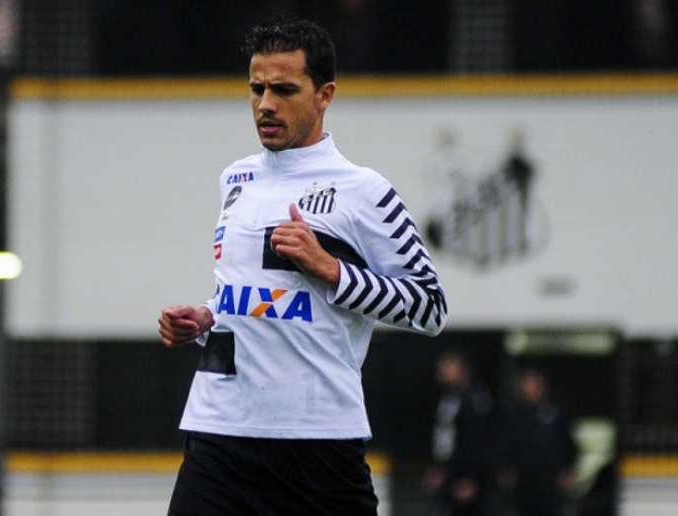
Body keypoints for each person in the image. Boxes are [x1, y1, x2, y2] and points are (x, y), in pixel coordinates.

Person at [157, 19, 448, 516]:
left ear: (324, 94)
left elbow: (429, 307)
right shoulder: (236, 178)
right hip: (218, 432)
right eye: (257, 88)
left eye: (284, 89)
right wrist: (206, 317)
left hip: (316, 442)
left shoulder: (365, 191)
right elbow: (251, 290)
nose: (265, 104)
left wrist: (332, 270)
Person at [424, 352, 497, 516]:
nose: (442, 372)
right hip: (449, 472)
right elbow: (442, 438)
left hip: (469, 476)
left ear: (463, 370)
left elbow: (479, 440)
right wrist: (439, 467)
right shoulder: (444, 398)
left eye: (448, 367)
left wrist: (470, 477)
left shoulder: (476, 398)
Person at [500, 370, 577, 516]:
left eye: (532, 385)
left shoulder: (555, 413)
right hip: (523, 481)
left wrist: (568, 469)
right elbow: (507, 444)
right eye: (525, 386)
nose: (528, 390)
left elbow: (568, 444)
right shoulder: (514, 415)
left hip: (550, 481)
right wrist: (506, 468)